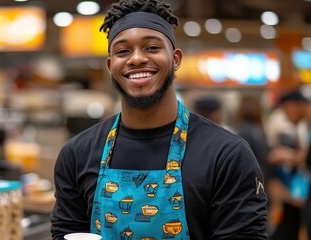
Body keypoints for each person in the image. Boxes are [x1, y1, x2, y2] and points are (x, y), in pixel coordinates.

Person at [50, 0, 268, 239]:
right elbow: (66, 233)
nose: (136, 59)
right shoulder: (77, 154)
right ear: (111, 66)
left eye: (152, 48)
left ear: (175, 59)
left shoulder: (226, 155)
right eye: (123, 51)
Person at [265, 89, 310, 240]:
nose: (286, 117)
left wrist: (288, 156)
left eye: (285, 111)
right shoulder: (303, 127)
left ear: (291, 105)